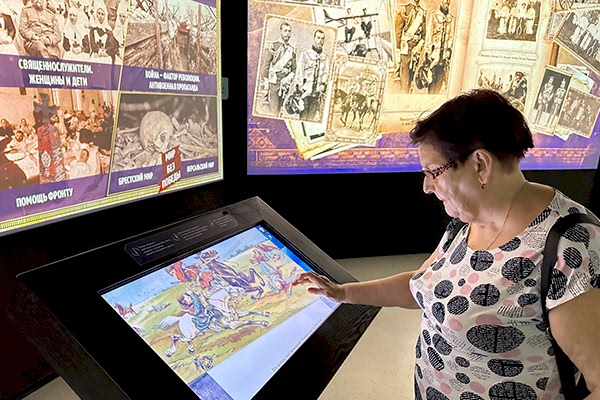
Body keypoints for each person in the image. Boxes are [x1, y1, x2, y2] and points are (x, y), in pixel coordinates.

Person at [293, 88, 600, 399]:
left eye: (433, 172)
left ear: (480, 164)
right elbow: (424, 286)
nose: (427, 187)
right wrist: (344, 292)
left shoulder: (570, 246)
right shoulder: (467, 221)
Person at [259, 21, 296, 117]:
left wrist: (287, 79)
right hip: (273, 83)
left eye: (289, 31)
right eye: (285, 31)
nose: (287, 33)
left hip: (285, 85)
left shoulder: (292, 50)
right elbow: (264, 67)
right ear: (280, 32)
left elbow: (294, 69)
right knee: (273, 111)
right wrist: (267, 83)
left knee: (279, 110)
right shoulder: (272, 47)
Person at [296, 28, 329, 122]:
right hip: (305, 92)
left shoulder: (325, 58)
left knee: (311, 119)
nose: (320, 41)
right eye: (318, 38)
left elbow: (326, 73)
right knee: (303, 118)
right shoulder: (306, 54)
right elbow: (299, 71)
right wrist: (300, 87)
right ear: (314, 39)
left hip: (316, 94)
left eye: (322, 38)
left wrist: (323, 84)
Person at [393, 0, 426, 93]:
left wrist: (420, 45)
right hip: (406, 45)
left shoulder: (422, 12)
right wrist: (398, 48)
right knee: (405, 71)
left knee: (413, 71)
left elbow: (424, 33)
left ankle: (408, 92)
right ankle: (404, 92)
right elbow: (398, 30)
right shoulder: (404, 9)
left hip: (416, 47)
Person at [426, 0, 454, 94]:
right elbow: (429, 34)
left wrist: (449, 49)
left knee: (440, 78)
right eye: (445, 1)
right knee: (432, 77)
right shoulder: (434, 16)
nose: (446, 3)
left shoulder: (450, 19)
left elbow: (451, 36)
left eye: (448, 2)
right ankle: (430, 97)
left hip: (444, 54)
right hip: (435, 53)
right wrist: (428, 51)